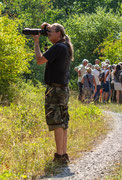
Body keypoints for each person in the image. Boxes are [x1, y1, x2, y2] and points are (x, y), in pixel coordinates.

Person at [32, 22, 73, 164]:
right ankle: (63, 153)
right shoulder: (65, 46)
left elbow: (39, 60)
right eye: (48, 31)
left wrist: (36, 42)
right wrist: (48, 27)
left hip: (54, 90)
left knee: (56, 122)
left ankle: (59, 155)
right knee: (62, 121)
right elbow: (56, 29)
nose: (48, 33)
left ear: (59, 34)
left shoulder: (58, 47)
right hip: (63, 88)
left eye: (51, 32)